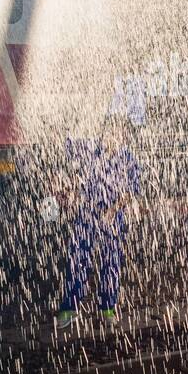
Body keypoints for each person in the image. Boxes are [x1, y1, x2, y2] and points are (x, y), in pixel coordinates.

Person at [56, 119, 141, 329]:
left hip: (112, 215)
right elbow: (70, 149)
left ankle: (107, 310)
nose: (111, 137)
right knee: (78, 259)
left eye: (117, 134)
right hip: (88, 212)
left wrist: (112, 211)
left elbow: (131, 191)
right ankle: (69, 309)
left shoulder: (129, 159)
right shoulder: (92, 151)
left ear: (124, 138)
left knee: (110, 264)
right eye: (109, 133)